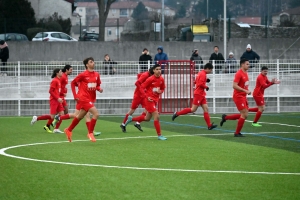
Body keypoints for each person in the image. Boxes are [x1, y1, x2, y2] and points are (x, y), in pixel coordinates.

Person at [64, 57, 103, 142]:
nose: (93, 63)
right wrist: (75, 95)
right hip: (83, 97)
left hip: (90, 98)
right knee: (96, 114)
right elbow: (73, 83)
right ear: (87, 65)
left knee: (80, 116)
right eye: (91, 62)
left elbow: (97, 85)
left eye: (93, 61)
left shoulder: (97, 74)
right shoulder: (83, 74)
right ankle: (90, 133)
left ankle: (69, 130)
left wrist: (99, 89)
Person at [124, 64, 167, 140]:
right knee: (156, 115)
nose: (159, 71)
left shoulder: (161, 79)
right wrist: (146, 96)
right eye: (157, 69)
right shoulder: (150, 79)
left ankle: (131, 119)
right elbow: (142, 87)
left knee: (147, 118)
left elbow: (163, 88)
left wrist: (160, 91)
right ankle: (159, 135)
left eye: (160, 69)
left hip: (155, 100)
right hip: (149, 100)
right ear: (153, 70)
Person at [171, 63, 217, 130]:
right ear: (207, 68)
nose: (211, 71)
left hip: (202, 94)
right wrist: (206, 86)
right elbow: (200, 84)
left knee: (206, 109)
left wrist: (206, 80)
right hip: (198, 94)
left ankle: (209, 125)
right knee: (193, 109)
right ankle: (177, 113)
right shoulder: (203, 74)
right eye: (210, 70)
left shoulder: (200, 73)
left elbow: (195, 81)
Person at [219, 58, 252, 137]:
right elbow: (234, 85)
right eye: (247, 64)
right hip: (238, 96)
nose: (249, 65)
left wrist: (246, 91)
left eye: (249, 64)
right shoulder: (239, 73)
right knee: (244, 114)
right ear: (242, 64)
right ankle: (237, 133)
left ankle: (226, 117)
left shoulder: (246, 73)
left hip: (243, 96)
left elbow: (244, 84)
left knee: (245, 115)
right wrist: (245, 90)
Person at [120, 66, 154, 133]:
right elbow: (137, 83)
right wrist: (142, 90)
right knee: (132, 111)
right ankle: (123, 124)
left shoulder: (149, 75)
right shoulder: (145, 75)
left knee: (147, 109)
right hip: (138, 95)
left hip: (144, 95)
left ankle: (138, 123)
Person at [30, 68, 64, 133]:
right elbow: (50, 91)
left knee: (62, 114)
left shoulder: (58, 80)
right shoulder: (54, 81)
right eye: (60, 72)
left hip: (58, 100)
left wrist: (60, 97)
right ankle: (37, 118)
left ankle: (56, 129)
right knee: (52, 116)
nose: (62, 73)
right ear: (57, 73)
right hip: (54, 100)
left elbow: (57, 91)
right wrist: (57, 98)